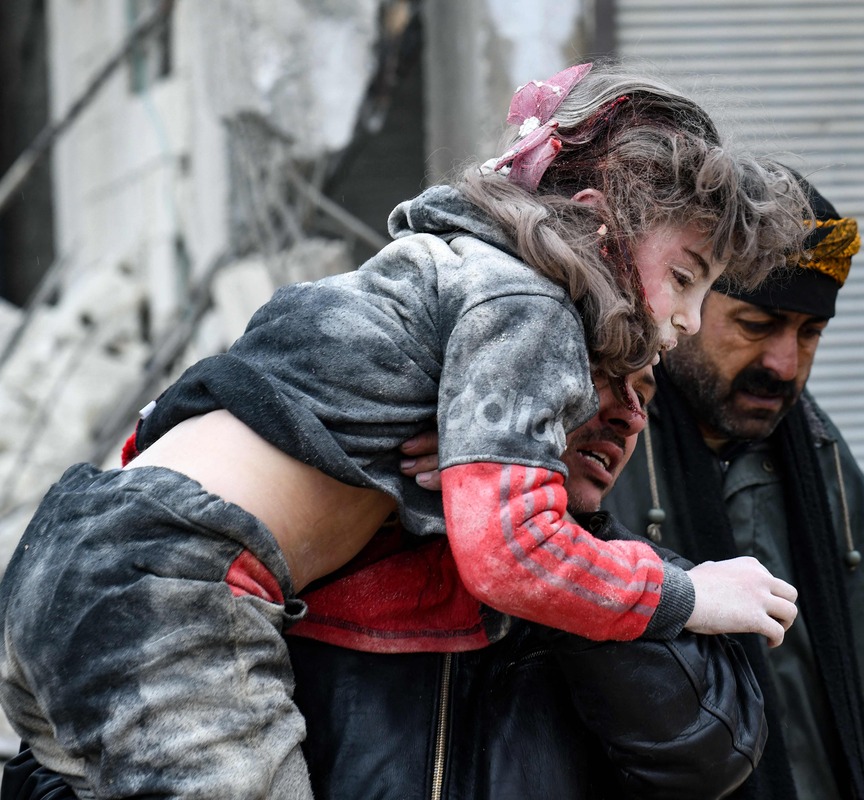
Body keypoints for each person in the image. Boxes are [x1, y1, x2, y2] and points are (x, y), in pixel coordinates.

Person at [0, 62, 802, 800]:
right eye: (687, 279)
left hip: (67, 552)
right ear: (598, 226)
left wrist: (435, 481)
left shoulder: (422, 278)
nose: (686, 321)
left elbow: (216, 397)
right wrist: (689, 594)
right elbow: (514, 555)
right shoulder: (528, 303)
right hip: (177, 586)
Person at [3, 366, 775, 800]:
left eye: (645, 393)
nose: (627, 416)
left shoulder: (641, 575)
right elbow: (70, 757)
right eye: (601, 377)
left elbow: (709, 754)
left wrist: (562, 558)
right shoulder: (303, 541)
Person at [603, 174, 864, 799]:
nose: (785, 364)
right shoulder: (592, 457)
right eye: (758, 324)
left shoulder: (824, 467)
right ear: (683, 302)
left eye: (810, 333)